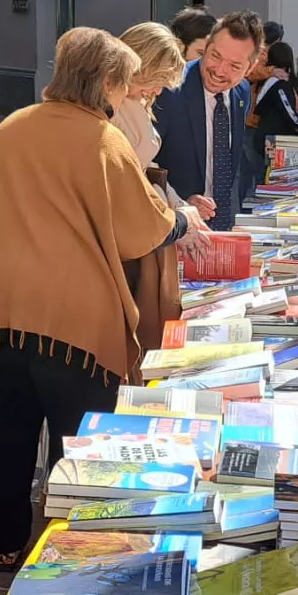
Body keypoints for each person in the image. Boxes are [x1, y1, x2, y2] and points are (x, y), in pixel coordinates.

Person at [0, 28, 187, 568]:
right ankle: (71, 550)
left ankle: (4, 544)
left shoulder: (11, 126)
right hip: (68, 316)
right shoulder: (103, 137)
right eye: (124, 86)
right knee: (78, 435)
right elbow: (143, 230)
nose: (126, 97)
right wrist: (182, 220)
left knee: (2, 429)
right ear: (108, 82)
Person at [114, 23, 213, 365]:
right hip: (132, 240)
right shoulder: (112, 110)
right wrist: (176, 219)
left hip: (146, 230)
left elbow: (145, 170)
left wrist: (179, 206)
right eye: (155, 81)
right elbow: (130, 180)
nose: (157, 91)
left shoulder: (136, 101)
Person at [153, 10, 264, 231]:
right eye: (215, 56)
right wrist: (179, 203)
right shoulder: (167, 87)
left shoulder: (241, 92)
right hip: (173, 227)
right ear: (206, 46)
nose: (220, 71)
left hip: (220, 227)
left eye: (235, 66)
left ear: (250, 68)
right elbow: (141, 166)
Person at [249, 36, 298, 177]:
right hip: (274, 141)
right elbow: (289, 113)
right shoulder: (279, 83)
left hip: (265, 137)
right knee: (269, 179)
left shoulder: (268, 80)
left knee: (259, 176)